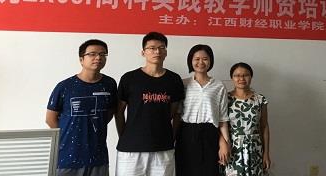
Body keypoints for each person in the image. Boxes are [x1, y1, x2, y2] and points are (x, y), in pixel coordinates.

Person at [115, 31, 185, 176]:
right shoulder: (129, 78)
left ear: (166, 52)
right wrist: (124, 136)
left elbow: (175, 113)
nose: (157, 51)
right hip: (131, 149)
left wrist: (170, 137)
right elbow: (119, 111)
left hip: (163, 148)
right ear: (143, 52)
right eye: (152, 48)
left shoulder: (174, 79)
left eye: (161, 48)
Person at [46, 39, 118, 176]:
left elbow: (109, 112)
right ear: (81, 59)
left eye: (103, 54)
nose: (98, 58)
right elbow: (50, 118)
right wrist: (68, 136)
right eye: (92, 54)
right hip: (68, 158)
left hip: (98, 157)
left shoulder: (109, 84)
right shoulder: (65, 86)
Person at [176, 44, 230, 176]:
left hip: (210, 135)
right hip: (186, 133)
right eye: (197, 59)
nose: (201, 62)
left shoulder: (219, 85)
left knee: (209, 171)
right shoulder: (183, 84)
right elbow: (177, 114)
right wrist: (173, 138)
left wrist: (225, 143)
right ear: (190, 61)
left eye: (205, 59)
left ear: (210, 61)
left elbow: (222, 118)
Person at [224, 63, 270, 176]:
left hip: (255, 149)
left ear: (251, 77)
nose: (241, 78)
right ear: (232, 78)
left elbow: (264, 126)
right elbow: (220, 124)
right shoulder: (225, 99)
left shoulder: (260, 99)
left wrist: (266, 153)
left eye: (245, 75)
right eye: (237, 75)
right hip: (232, 148)